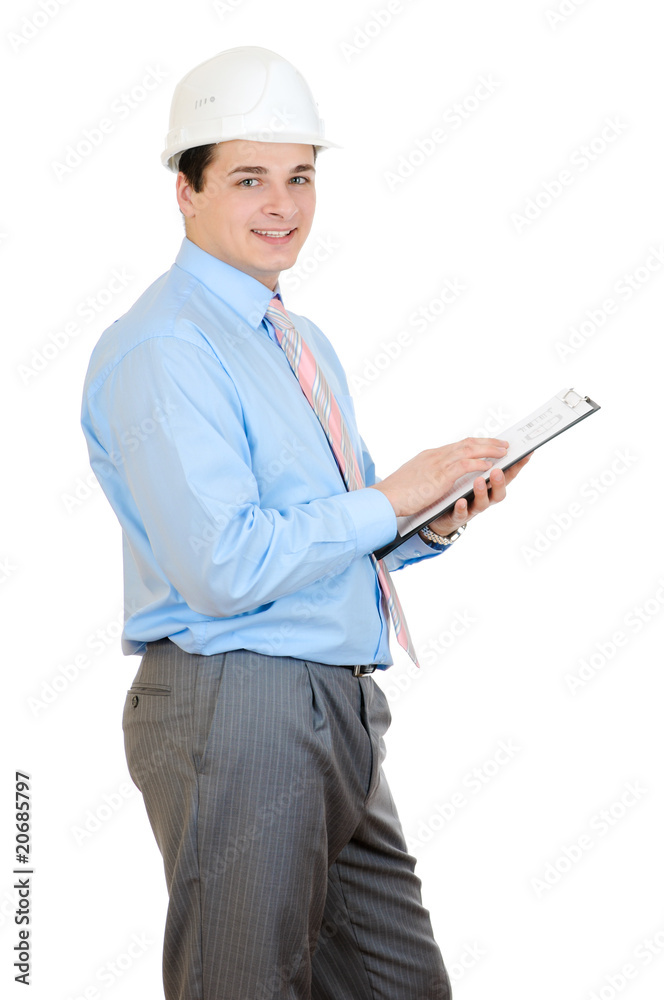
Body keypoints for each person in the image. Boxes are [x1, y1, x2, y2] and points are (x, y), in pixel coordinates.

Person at [81, 46, 531, 1000]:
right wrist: (392, 496)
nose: (282, 205)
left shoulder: (296, 338)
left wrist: (435, 518)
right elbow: (225, 567)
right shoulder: (167, 348)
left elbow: (328, 534)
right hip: (237, 702)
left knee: (401, 986)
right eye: (249, 178)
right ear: (186, 189)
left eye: (300, 178)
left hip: (333, 705)